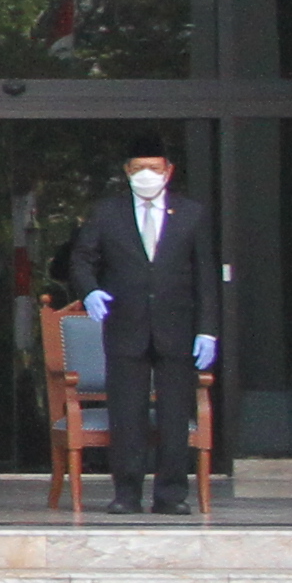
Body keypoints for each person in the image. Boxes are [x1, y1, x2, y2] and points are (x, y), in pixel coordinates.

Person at [72, 137, 217, 515]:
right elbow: (82, 259)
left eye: (154, 167)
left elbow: (205, 275)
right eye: (138, 169)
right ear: (126, 172)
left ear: (169, 170)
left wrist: (207, 329)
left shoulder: (191, 213)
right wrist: (89, 291)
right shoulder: (108, 213)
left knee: (173, 416)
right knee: (127, 414)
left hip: (177, 328)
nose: (146, 175)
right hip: (125, 327)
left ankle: (171, 494)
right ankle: (127, 493)